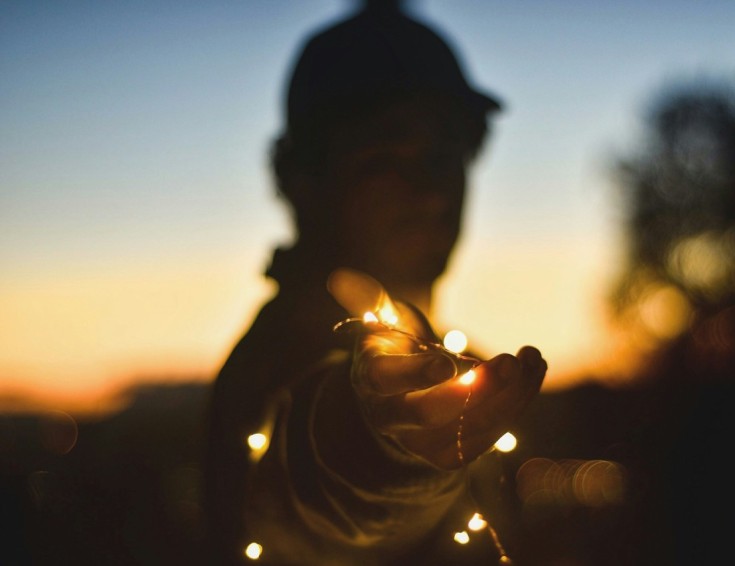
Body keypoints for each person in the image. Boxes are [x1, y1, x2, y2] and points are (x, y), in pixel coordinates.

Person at [204, 2, 547, 564]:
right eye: (386, 156)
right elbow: (314, 484)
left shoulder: (459, 375)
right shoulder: (275, 371)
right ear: (301, 180)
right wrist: (383, 440)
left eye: (448, 154)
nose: (433, 192)